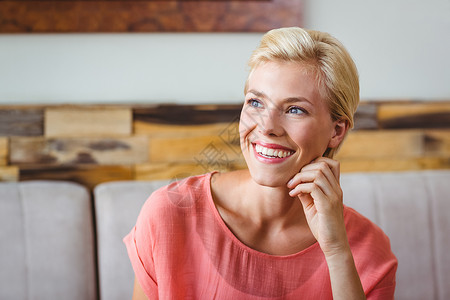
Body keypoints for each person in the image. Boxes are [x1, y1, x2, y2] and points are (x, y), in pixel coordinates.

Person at [124, 27, 397, 299]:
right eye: (256, 102)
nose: (267, 127)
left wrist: (336, 250)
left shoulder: (368, 250)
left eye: (295, 109)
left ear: (336, 131)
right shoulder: (169, 215)